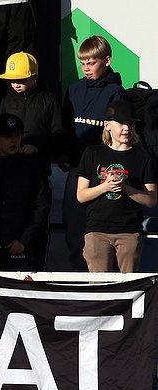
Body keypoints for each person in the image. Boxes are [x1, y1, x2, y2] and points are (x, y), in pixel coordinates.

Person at [62, 35, 127, 270]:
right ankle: (77, 273)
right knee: (73, 224)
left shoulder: (115, 92)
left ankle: (105, 277)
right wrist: (64, 154)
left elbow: (119, 135)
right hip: (78, 167)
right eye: (83, 63)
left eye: (92, 63)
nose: (86, 68)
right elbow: (66, 127)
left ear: (107, 61)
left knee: (102, 226)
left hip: (104, 171)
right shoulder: (74, 89)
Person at [76, 101, 158, 273]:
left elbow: (151, 200)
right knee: (100, 288)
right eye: (121, 123)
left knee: (127, 288)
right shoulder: (92, 153)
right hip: (97, 229)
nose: (127, 128)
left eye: (131, 123)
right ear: (107, 125)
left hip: (128, 231)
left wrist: (126, 188)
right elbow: (81, 195)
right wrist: (105, 186)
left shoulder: (144, 157)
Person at [0, 113, 52, 271]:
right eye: (8, 137)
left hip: (23, 248)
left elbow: (41, 207)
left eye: (17, 135)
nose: (13, 141)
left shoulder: (33, 170)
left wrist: (24, 241)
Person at [0, 51, 65, 163]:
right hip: (11, 163)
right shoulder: (6, 100)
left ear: (35, 76)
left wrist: (37, 148)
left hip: (38, 163)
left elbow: (59, 134)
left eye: (21, 80)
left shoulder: (49, 99)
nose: (16, 84)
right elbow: (0, 132)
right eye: (12, 80)